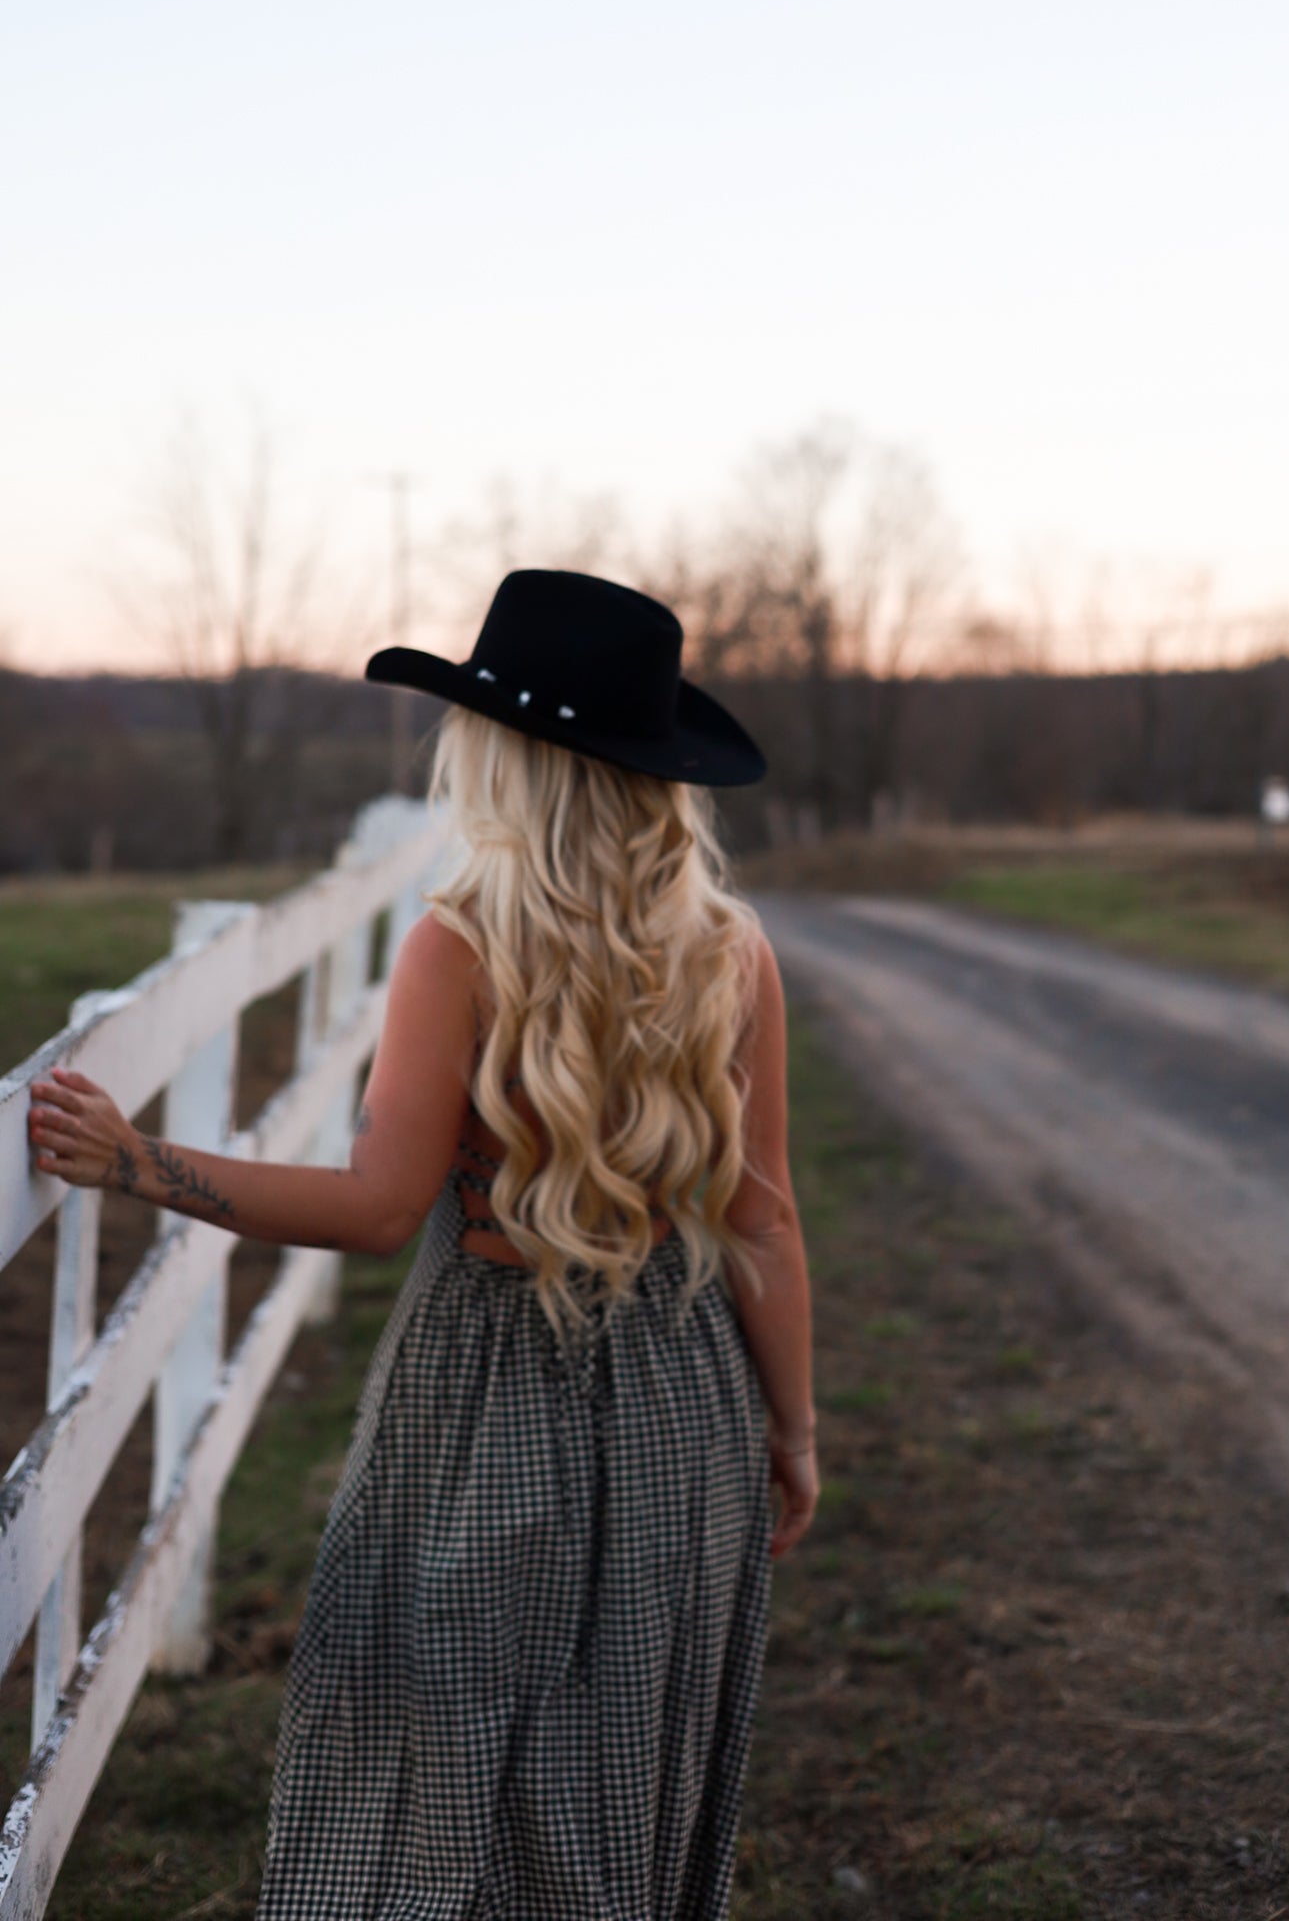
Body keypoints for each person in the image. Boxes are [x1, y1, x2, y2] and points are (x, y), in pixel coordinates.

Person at [26, 568, 819, 1921]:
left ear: (504, 758)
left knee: (426, 1756)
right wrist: (790, 1432)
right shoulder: (730, 953)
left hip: (488, 1395)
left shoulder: (462, 949)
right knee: (621, 1761)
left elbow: (380, 1207)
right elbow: (765, 1219)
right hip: (686, 1399)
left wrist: (139, 1162)